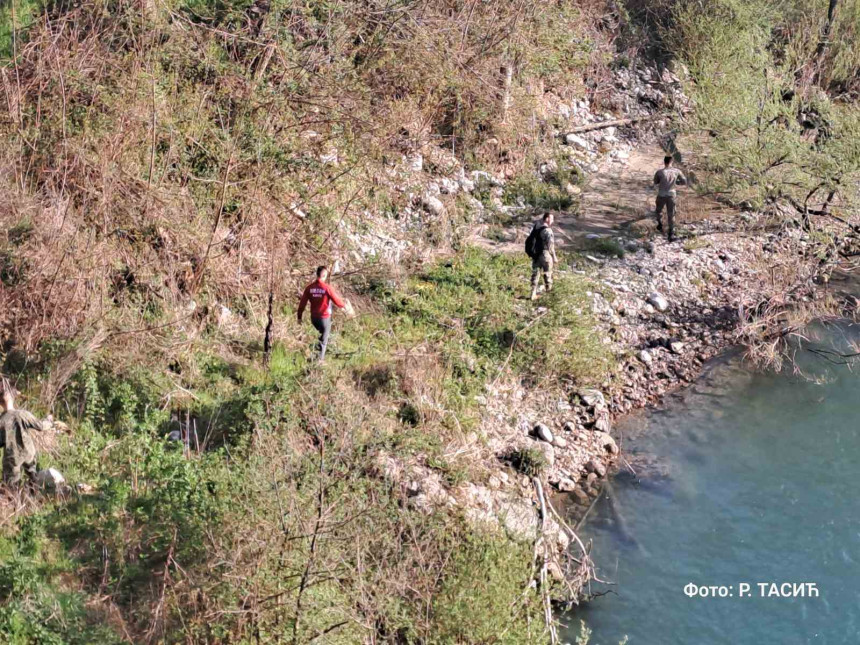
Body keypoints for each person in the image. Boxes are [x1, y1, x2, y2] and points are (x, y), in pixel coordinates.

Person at [0, 386, 49, 487]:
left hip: (12, 457)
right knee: (33, 479)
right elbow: (41, 426)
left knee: (11, 486)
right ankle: (34, 499)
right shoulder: (23, 414)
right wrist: (50, 421)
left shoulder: (1, 421)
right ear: (13, 398)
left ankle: (16, 501)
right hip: (28, 453)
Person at [297, 266, 346, 362]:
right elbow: (338, 302)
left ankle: (313, 356)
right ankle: (319, 362)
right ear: (324, 275)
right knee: (324, 340)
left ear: (317, 274)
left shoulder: (309, 288)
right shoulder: (327, 288)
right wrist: (344, 306)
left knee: (318, 336)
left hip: (314, 318)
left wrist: (299, 317)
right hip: (324, 318)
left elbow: (302, 304)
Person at [653, 155, 687, 242]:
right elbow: (684, 181)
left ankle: (659, 224)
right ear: (672, 162)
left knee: (658, 211)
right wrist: (676, 182)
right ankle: (671, 234)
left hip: (661, 194)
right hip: (671, 194)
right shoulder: (677, 171)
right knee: (671, 214)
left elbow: (656, 182)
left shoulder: (659, 172)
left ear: (664, 162)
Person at [527, 212, 558, 300]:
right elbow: (550, 246)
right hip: (545, 254)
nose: (553, 220)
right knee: (548, 273)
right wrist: (554, 257)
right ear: (547, 219)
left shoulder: (536, 228)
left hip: (536, 255)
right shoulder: (548, 230)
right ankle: (549, 295)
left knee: (535, 274)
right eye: (552, 218)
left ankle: (532, 294)